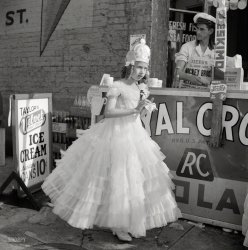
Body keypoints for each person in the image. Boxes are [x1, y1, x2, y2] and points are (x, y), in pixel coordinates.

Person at [42, 39, 181, 242]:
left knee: (134, 180)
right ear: (130, 66)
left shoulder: (141, 88)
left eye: (144, 68)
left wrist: (144, 108)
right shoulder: (117, 85)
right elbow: (109, 112)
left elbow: (136, 114)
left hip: (134, 134)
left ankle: (130, 221)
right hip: (115, 135)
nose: (141, 71)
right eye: (139, 67)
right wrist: (134, 109)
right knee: (118, 180)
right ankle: (118, 225)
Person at [174, 12, 216, 88]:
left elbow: (220, 78)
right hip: (185, 93)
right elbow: (177, 72)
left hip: (206, 94)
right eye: (197, 29)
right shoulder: (187, 47)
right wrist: (189, 77)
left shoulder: (217, 51)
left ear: (211, 31)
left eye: (202, 29)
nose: (198, 32)